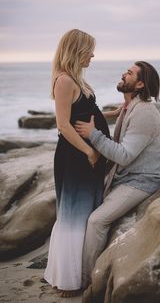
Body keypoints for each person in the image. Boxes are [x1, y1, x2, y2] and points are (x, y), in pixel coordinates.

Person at [75, 61, 160, 288]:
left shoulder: (144, 113)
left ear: (140, 84)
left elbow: (124, 155)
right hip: (123, 177)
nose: (123, 74)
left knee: (97, 220)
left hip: (140, 181)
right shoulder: (129, 107)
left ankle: (87, 282)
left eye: (130, 73)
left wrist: (93, 134)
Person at [44, 29, 120, 298]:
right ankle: (66, 280)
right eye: (89, 50)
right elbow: (63, 125)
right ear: (76, 50)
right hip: (76, 157)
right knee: (73, 217)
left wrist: (116, 112)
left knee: (84, 214)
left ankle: (74, 273)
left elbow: (89, 114)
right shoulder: (64, 80)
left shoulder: (78, 80)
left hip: (88, 155)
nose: (92, 55)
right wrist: (89, 152)